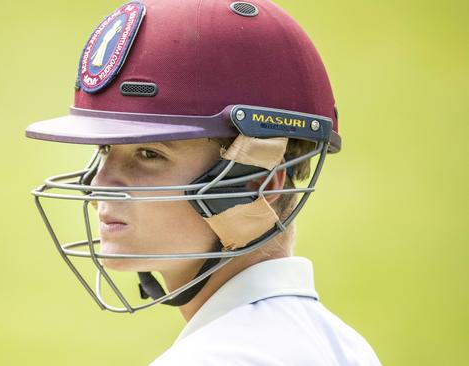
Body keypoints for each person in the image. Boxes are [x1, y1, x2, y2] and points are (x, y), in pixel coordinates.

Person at [25, 0, 381, 364]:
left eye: (149, 155)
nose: (99, 183)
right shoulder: (344, 346)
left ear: (257, 186)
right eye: (105, 150)